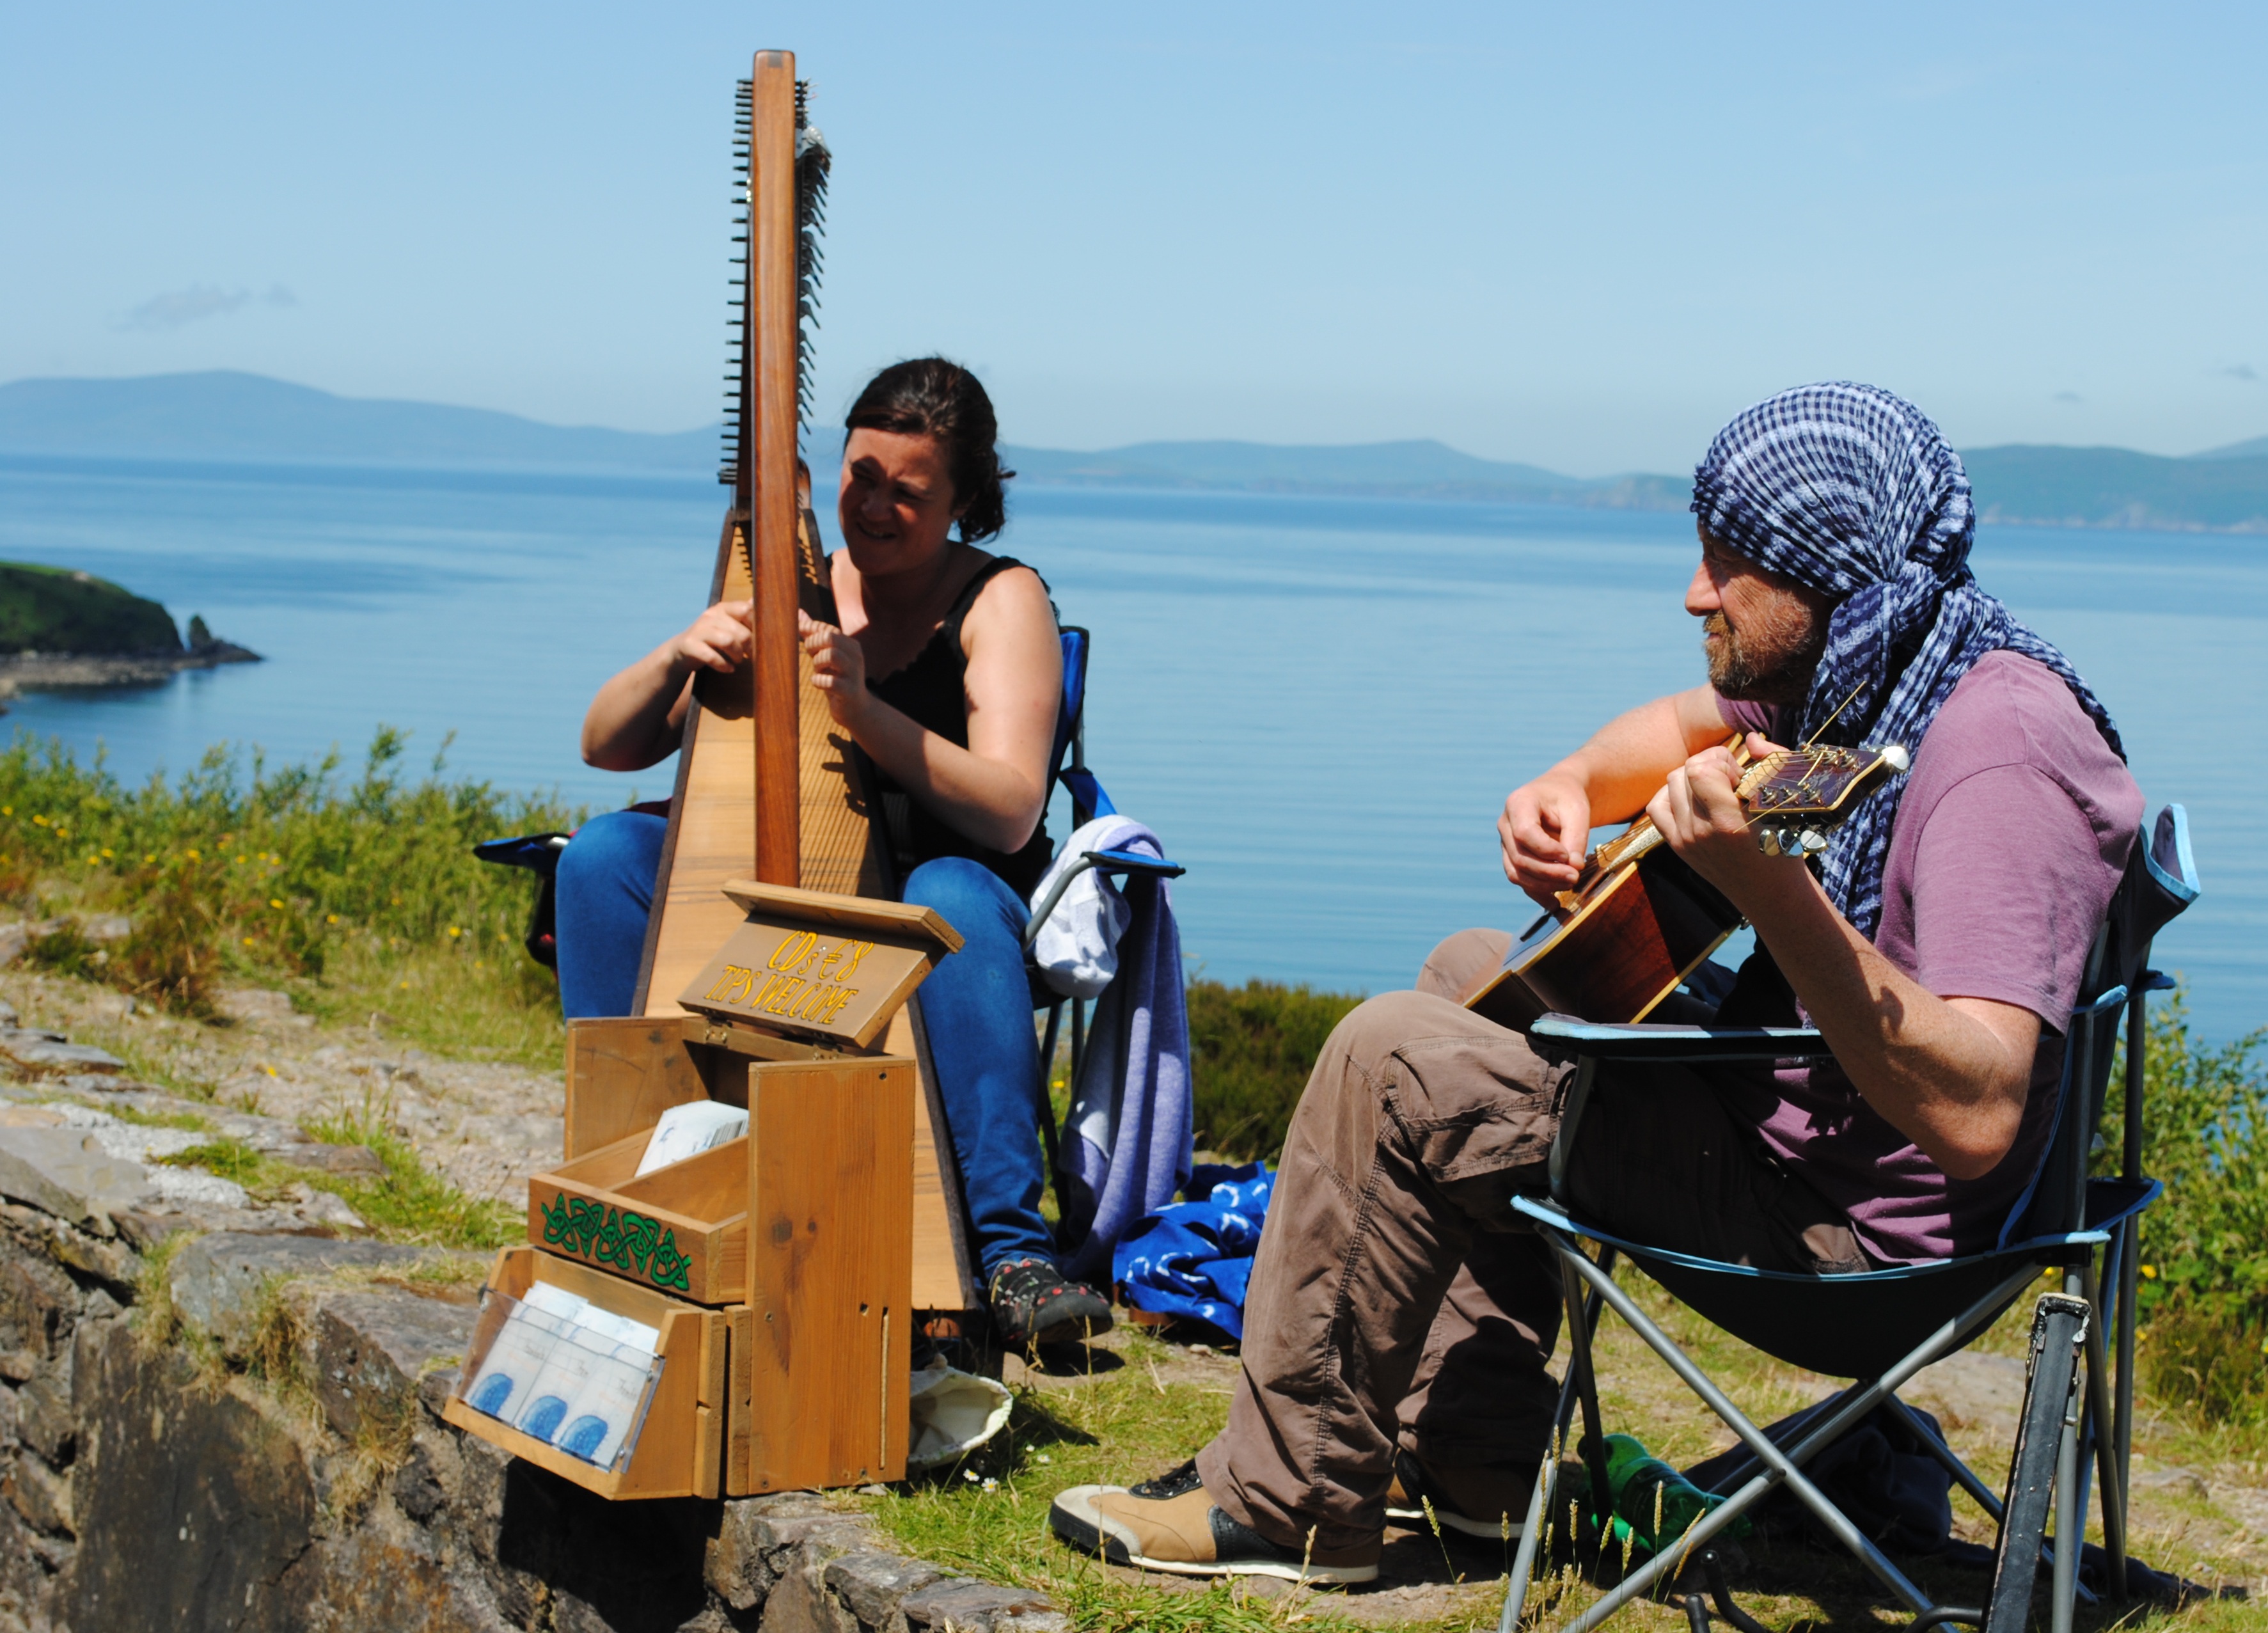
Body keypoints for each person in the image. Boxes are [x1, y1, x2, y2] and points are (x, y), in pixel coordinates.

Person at [1047, 383, 2143, 1584]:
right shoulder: (1884, 668)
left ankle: (1289, 1503)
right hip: (1800, 1129)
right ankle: (1481, 1475)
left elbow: (1980, 1114)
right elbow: (1680, 723)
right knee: (1475, 971)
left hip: (1856, 1245)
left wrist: (1770, 889)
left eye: (1728, 566)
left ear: (1827, 572)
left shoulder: (1999, 757)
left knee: (1390, 1054)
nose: (1694, 593)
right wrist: (1568, 783)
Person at [560, 356, 1113, 1350]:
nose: (877, 506)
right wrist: (679, 655)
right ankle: (626, 1181)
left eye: (911, 493)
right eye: (863, 476)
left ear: (963, 502)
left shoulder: (1000, 598)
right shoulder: (797, 578)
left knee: (945, 889)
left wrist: (862, 711)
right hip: (804, 871)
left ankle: (1008, 1253)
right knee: (604, 858)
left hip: (951, 890)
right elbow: (606, 744)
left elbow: (1013, 810)